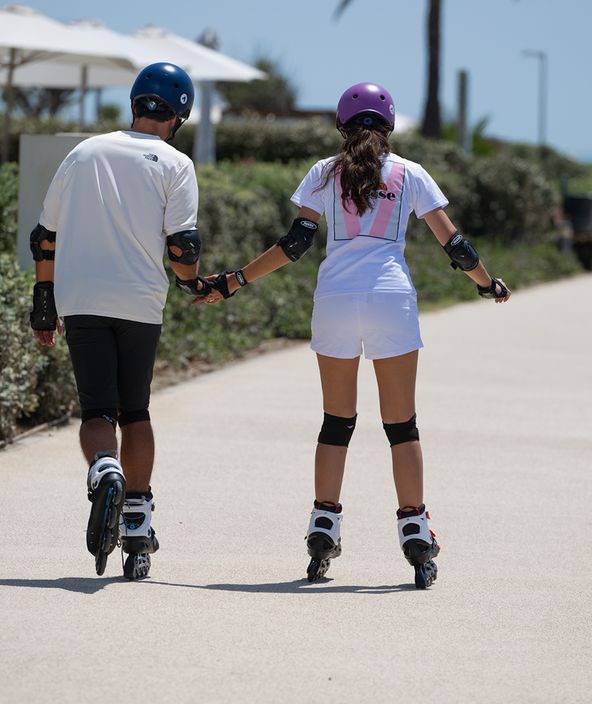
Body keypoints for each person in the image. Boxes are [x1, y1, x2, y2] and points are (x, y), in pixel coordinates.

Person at [199, 82, 511, 589]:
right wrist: (486, 284)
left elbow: (296, 242)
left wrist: (233, 281)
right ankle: (415, 531)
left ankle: (324, 527)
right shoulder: (410, 174)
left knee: (336, 422)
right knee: (401, 425)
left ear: (342, 126)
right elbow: (454, 243)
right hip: (392, 300)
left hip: (336, 302)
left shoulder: (324, 173)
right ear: (388, 126)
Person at [29, 62, 211, 579]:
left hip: (80, 299)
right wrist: (190, 279)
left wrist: (44, 301)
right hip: (139, 302)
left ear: (134, 103)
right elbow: (183, 247)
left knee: (96, 410)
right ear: (179, 115)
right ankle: (137, 520)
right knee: (135, 411)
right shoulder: (175, 164)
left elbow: (45, 236)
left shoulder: (84, 151)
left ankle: (103, 468)